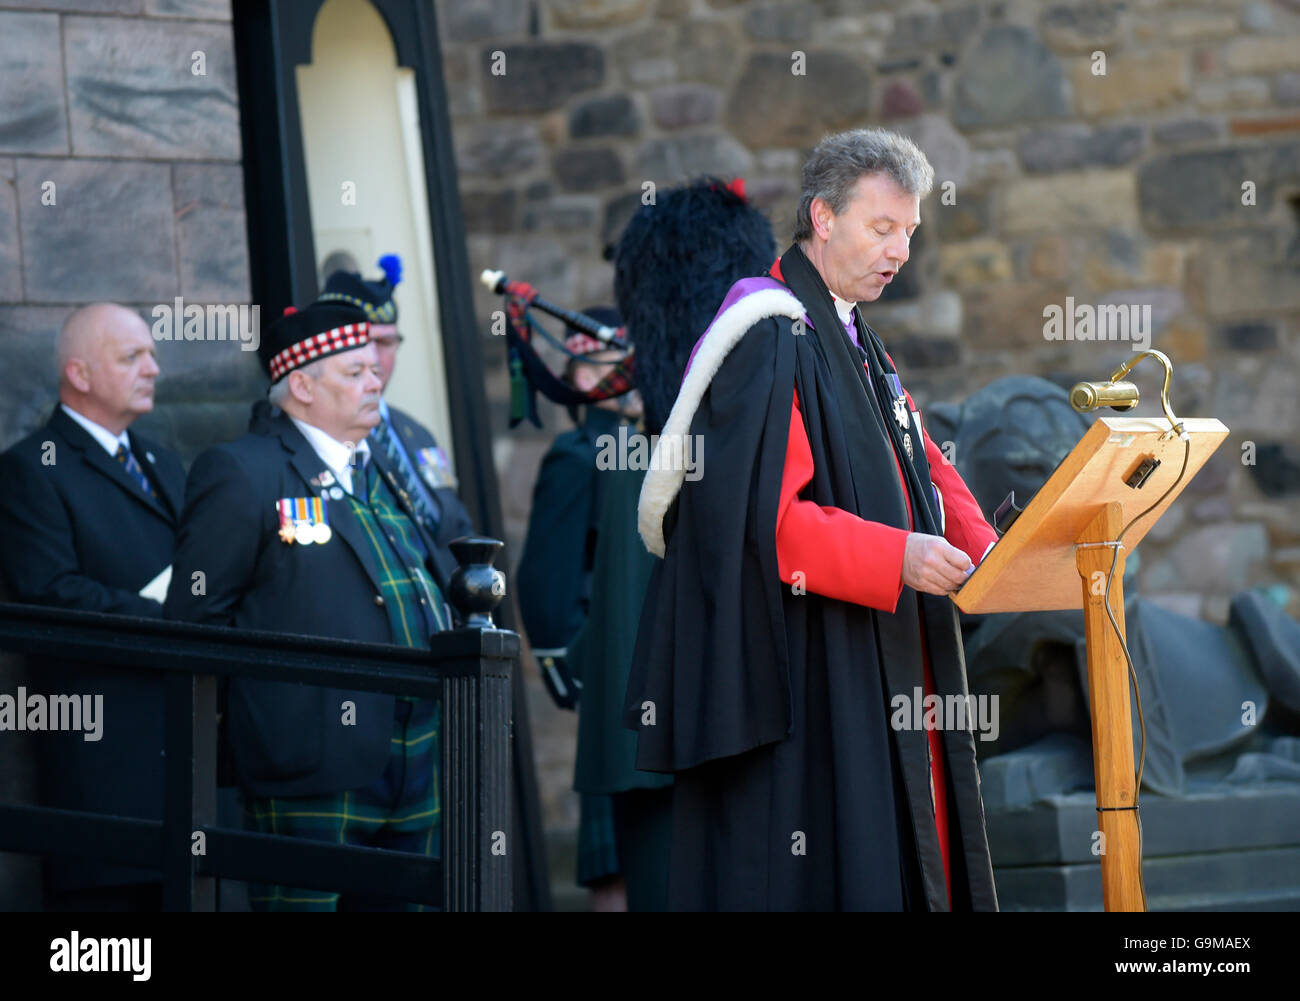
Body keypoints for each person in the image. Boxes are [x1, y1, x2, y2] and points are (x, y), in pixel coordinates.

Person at [624, 129, 1001, 911]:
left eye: (909, 232)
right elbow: (771, 526)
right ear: (823, 218)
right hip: (807, 670)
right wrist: (897, 556)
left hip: (876, 657)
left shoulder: (854, 332)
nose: (899, 251)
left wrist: (1002, 552)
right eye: (882, 228)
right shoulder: (767, 335)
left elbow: (922, 460)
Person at [165, 301, 453, 911]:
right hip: (310, 765)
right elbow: (194, 622)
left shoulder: (381, 469)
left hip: (418, 754)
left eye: (374, 369)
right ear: (301, 385)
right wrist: (266, 726)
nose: (375, 381)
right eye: (354, 372)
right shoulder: (243, 472)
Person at [0, 303, 186, 910]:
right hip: (108, 767)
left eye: (152, 354)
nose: (153, 368)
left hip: (187, 752)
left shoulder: (161, 459)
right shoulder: (31, 469)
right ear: (79, 374)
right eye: (132, 356)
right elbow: (51, 595)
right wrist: (169, 616)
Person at [515, 308, 644, 911]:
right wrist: (577, 664)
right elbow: (545, 578)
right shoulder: (578, 452)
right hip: (611, 671)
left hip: (651, 667)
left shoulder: (654, 444)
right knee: (615, 866)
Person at [318, 255, 474, 584]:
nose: (375, 358)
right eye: (366, 342)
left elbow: (457, 528)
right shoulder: (327, 436)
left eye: (387, 342)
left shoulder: (416, 433)